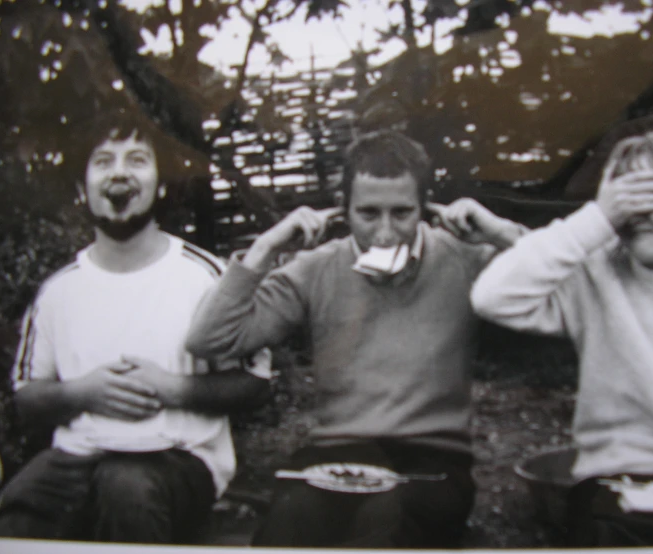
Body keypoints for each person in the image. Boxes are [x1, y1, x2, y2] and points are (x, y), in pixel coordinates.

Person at [186, 129, 525, 548]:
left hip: (432, 458)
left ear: (425, 209)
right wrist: (265, 249)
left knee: (383, 527)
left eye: (401, 213)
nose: (384, 233)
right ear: (343, 210)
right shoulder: (317, 269)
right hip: (336, 453)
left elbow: (565, 286)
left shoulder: (463, 259)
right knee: (284, 531)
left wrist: (499, 233)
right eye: (368, 214)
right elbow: (210, 339)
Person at [0, 109, 272, 543]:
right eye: (103, 162)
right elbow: (27, 396)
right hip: (75, 458)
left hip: (177, 457)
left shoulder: (205, 276)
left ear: (161, 184)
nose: (119, 174)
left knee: (126, 489)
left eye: (136, 160)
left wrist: (171, 389)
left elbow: (255, 383)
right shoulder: (59, 291)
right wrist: (83, 392)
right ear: (82, 189)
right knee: (15, 518)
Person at [470, 126, 653, 546]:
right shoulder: (597, 272)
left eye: (651, 195)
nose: (636, 213)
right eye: (625, 199)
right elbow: (493, 297)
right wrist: (598, 218)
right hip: (613, 490)